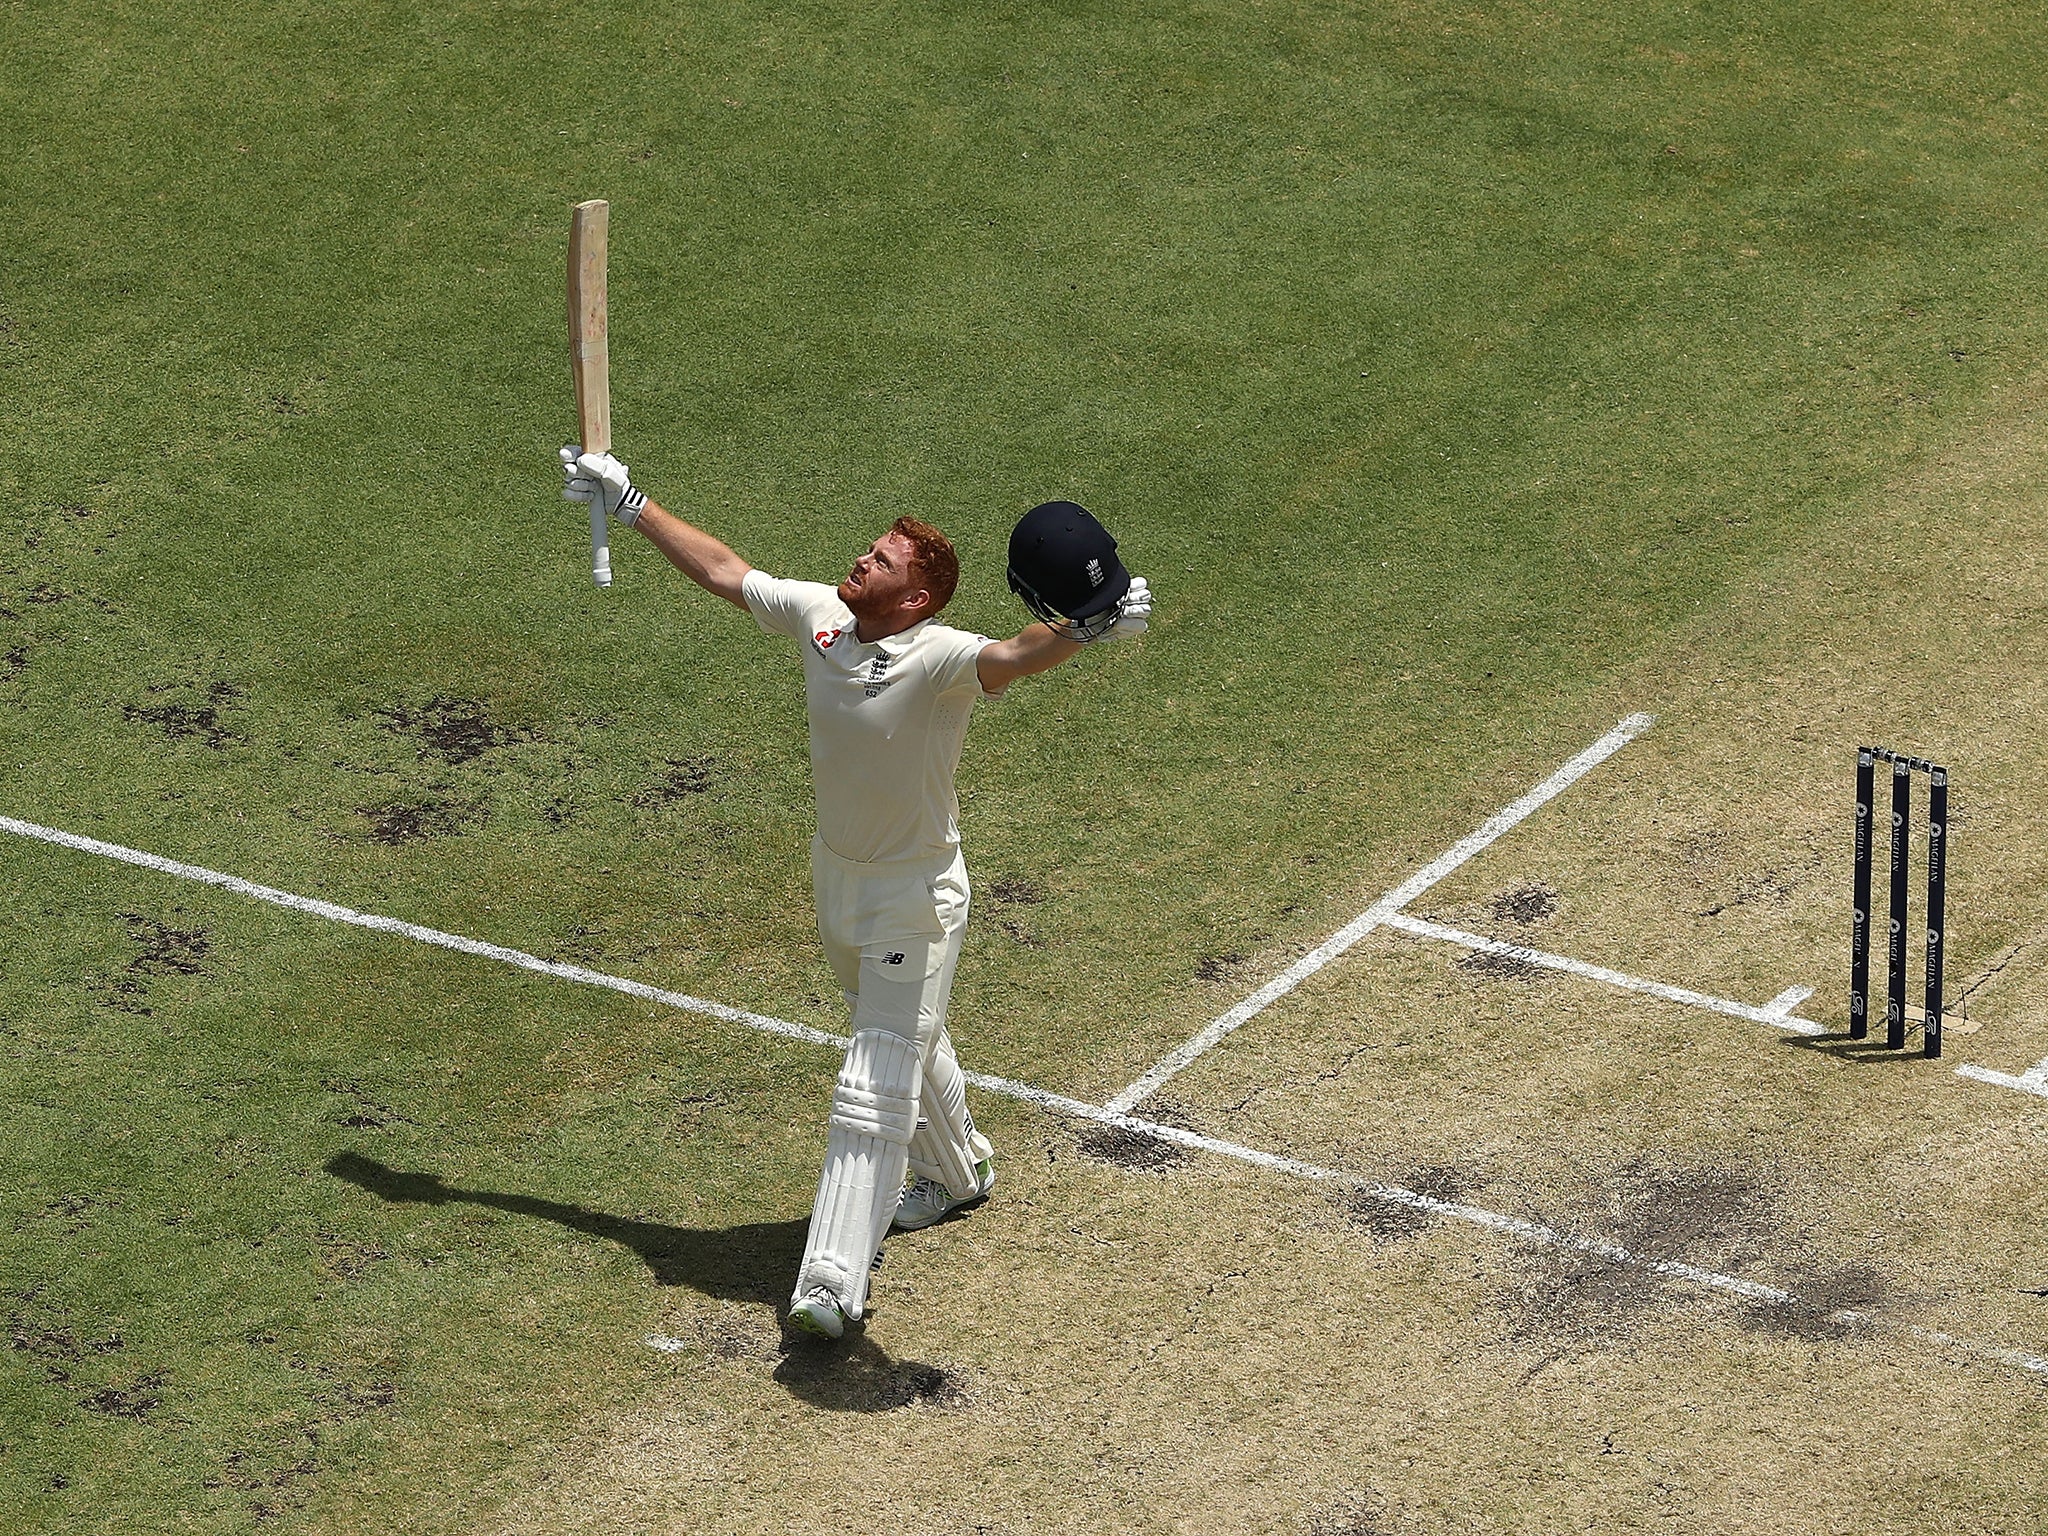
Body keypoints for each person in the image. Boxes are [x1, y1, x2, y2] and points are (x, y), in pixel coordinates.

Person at [559, 447, 1152, 1339]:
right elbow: (727, 572)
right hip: (836, 879)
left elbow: (1015, 655)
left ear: (915, 598)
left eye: (884, 560)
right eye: (872, 548)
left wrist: (1084, 628)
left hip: (916, 893)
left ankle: (832, 1282)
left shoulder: (941, 657)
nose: (863, 560)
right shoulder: (821, 617)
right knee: (902, 1032)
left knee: (875, 1075)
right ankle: (957, 1174)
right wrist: (632, 502)